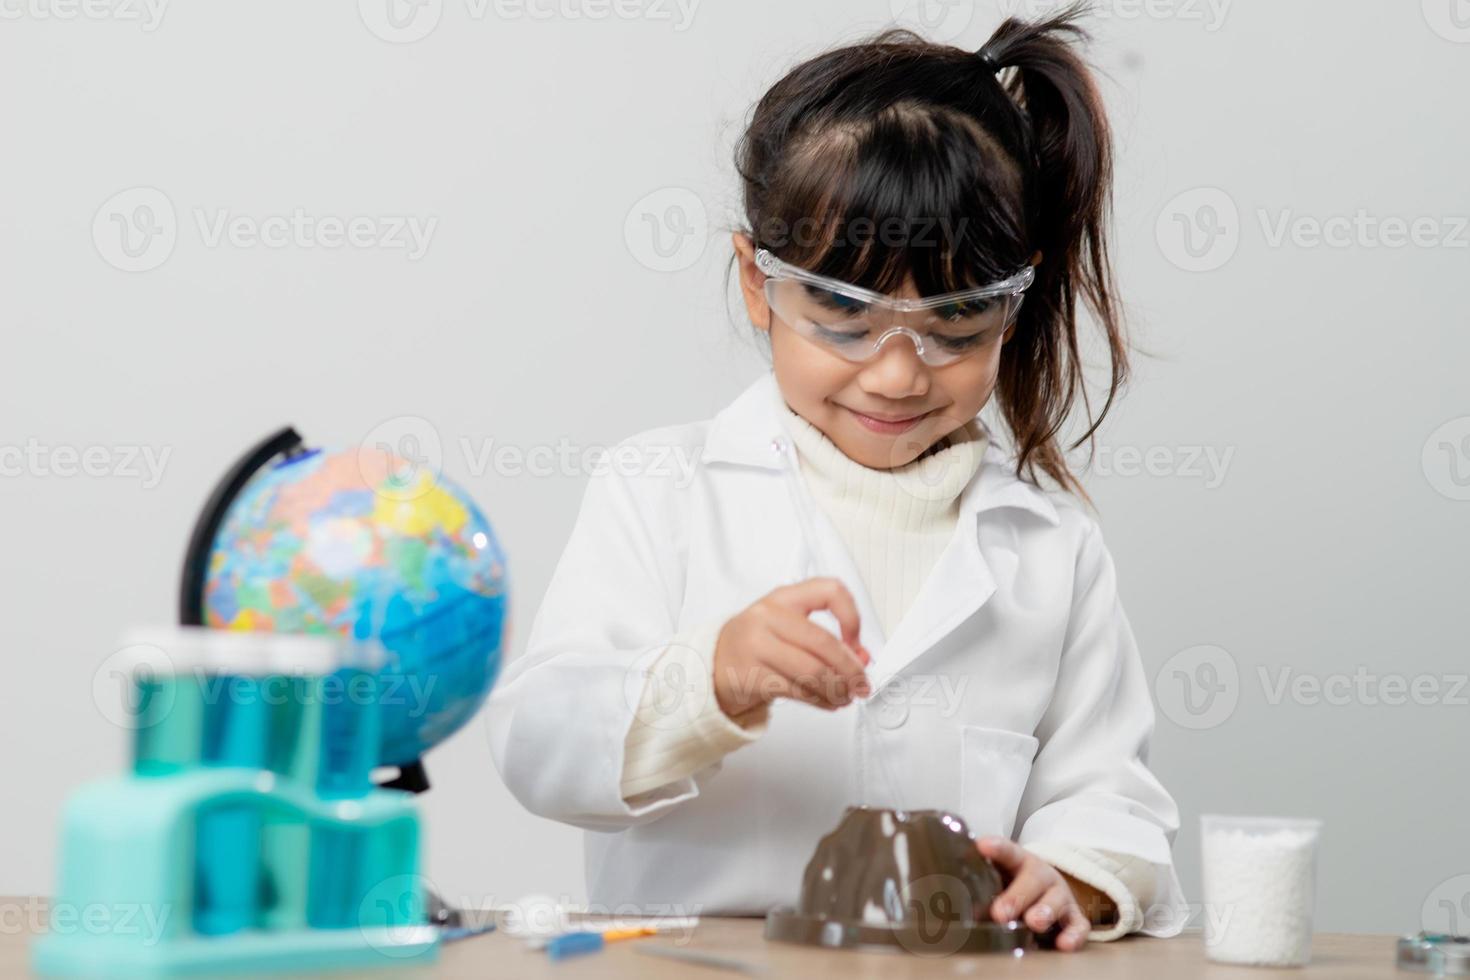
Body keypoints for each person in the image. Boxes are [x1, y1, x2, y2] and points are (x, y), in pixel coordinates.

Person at [488, 6, 1189, 951]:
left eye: (955, 325)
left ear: (1013, 307)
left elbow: (1110, 799)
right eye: (846, 319)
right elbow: (539, 743)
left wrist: (1069, 877)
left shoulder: (1051, 550)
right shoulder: (661, 488)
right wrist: (712, 680)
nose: (898, 373)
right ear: (757, 282)